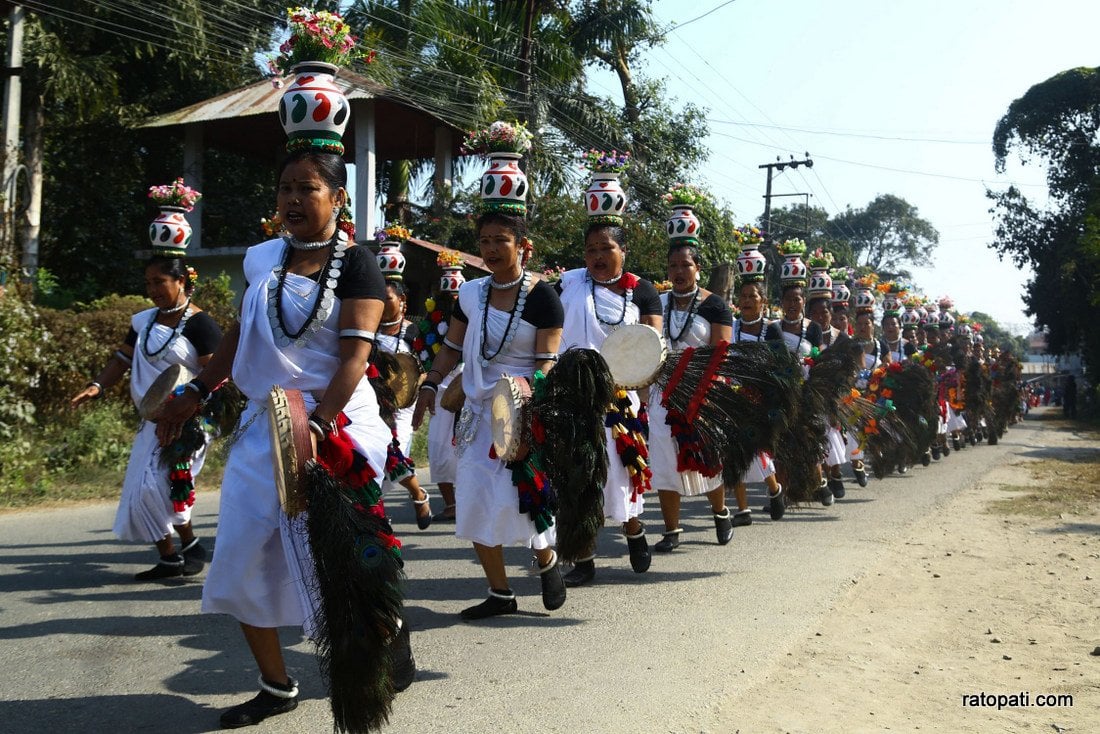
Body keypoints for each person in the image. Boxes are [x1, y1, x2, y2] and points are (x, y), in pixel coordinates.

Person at [157, 148, 411, 728]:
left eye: (308, 189)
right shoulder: (261, 259)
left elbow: (353, 360)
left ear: (338, 199)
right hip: (261, 430)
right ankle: (276, 685)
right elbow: (239, 340)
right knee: (242, 559)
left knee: (341, 560)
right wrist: (194, 389)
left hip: (337, 425)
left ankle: (388, 626)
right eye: (285, 188)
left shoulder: (358, 266)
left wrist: (316, 427)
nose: (293, 199)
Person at [412, 210, 566, 620]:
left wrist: (522, 397)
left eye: (501, 240)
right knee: (475, 497)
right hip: (479, 411)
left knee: (522, 494)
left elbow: (547, 361)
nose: (491, 249)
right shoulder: (470, 294)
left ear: (522, 247)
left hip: (523, 408)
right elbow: (452, 347)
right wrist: (431, 382)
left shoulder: (542, 296)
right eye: (484, 241)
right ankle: (500, 592)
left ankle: (546, 557)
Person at [71, 249, 221, 581]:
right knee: (142, 489)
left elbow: (217, 374)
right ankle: (174, 554)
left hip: (191, 421)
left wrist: (186, 410)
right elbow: (122, 360)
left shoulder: (200, 324)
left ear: (181, 281)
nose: (152, 289)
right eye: (148, 283)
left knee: (164, 486)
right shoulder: (143, 321)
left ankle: (187, 545)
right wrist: (98, 385)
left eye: (160, 282)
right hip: (152, 420)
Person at [555, 218, 662, 586]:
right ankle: (582, 558)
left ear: (623, 252)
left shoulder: (642, 291)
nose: (598, 256)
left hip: (619, 400)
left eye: (606, 248)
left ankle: (633, 529)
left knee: (617, 473)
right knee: (576, 477)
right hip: (572, 395)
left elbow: (652, 347)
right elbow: (550, 330)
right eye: (591, 250)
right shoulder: (567, 285)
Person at [649, 236, 735, 552]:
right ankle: (672, 530)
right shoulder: (657, 303)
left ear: (697, 268)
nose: (679, 271)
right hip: (662, 393)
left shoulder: (715, 305)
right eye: (673, 265)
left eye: (686, 264)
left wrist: (704, 391)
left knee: (706, 457)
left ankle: (720, 512)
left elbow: (720, 353)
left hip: (702, 392)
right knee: (663, 460)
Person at [374, 261, 434, 530]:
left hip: (403, 406)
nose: (381, 304)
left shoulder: (415, 332)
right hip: (371, 404)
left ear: (402, 300)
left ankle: (418, 495)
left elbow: (427, 369)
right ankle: (379, 513)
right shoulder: (366, 329)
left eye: (387, 298)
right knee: (373, 456)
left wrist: (417, 389)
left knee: (391, 449)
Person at [729, 237, 785, 522]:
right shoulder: (732, 327)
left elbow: (780, 367)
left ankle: (774, 490)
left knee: (757, 448)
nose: (748, 301)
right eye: (744, 296)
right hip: (732, 397)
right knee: (731, 451)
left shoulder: (771, 331)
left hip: (761, 400)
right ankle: (742, 509)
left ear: (763, 302)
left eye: (754, 296)